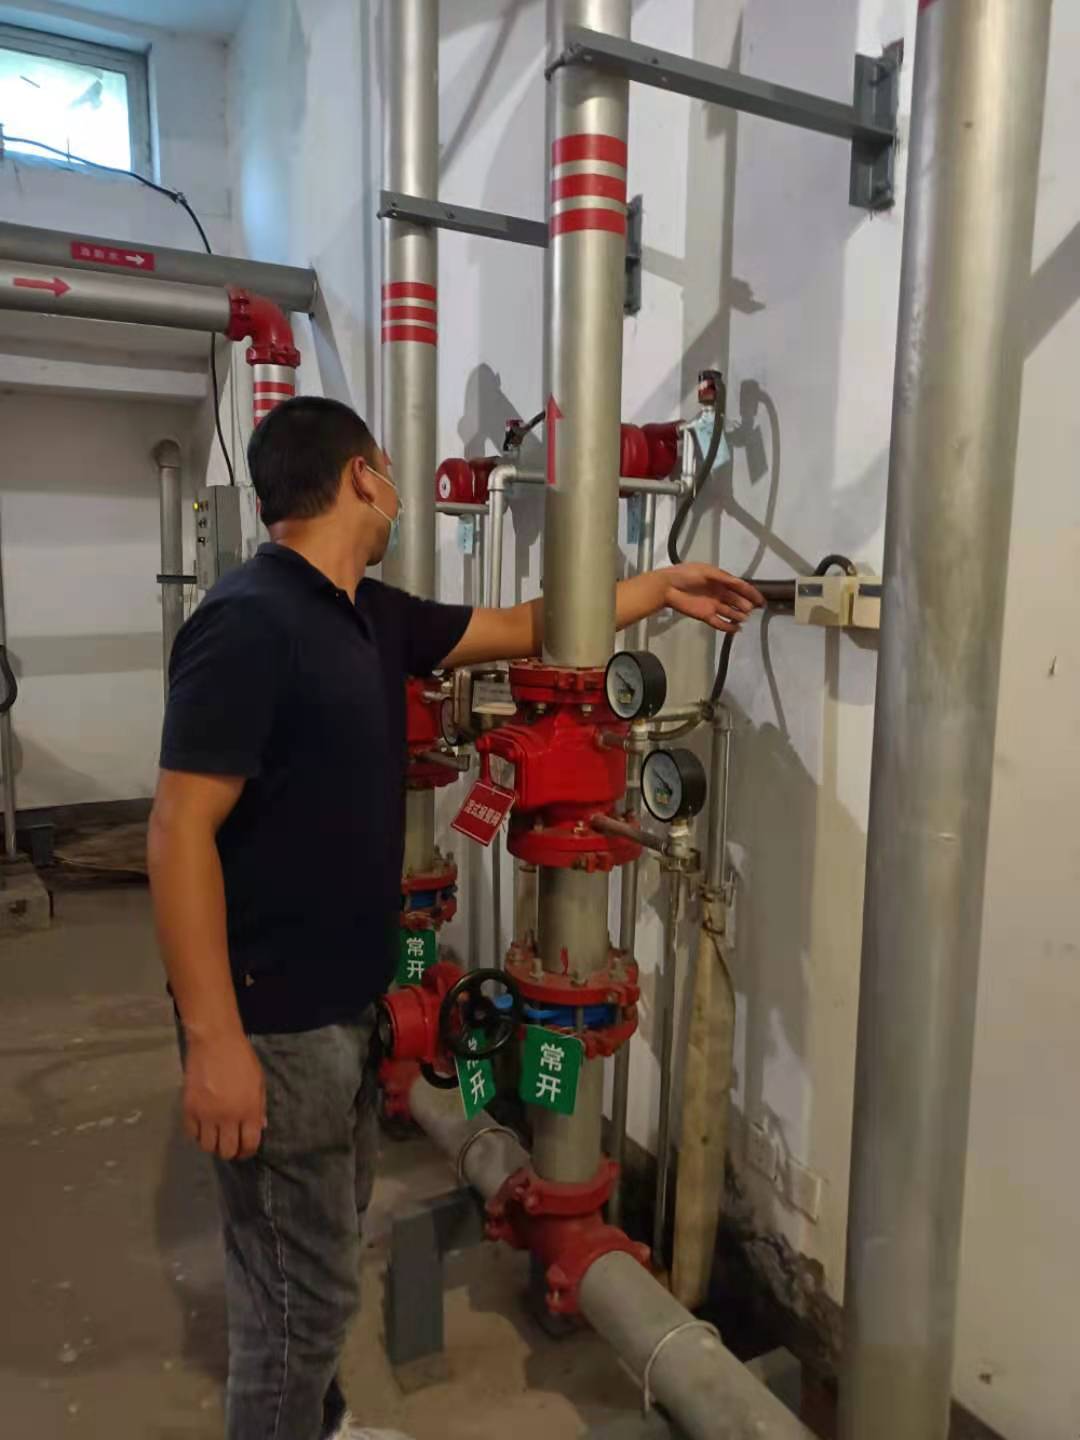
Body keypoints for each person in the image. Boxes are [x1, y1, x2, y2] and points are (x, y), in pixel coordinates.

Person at [148, 395, 764, 1440]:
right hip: (274, 1024)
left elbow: (524, 626)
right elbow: (176, 833)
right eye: (389, 472)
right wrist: (214, 1042)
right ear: (363, 477)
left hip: (345, 1008)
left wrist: (661, 586)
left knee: (318, 1253)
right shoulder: (249, 621)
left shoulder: (365, 614)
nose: (395, 491)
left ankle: (322, 1425)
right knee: (297, 1304)